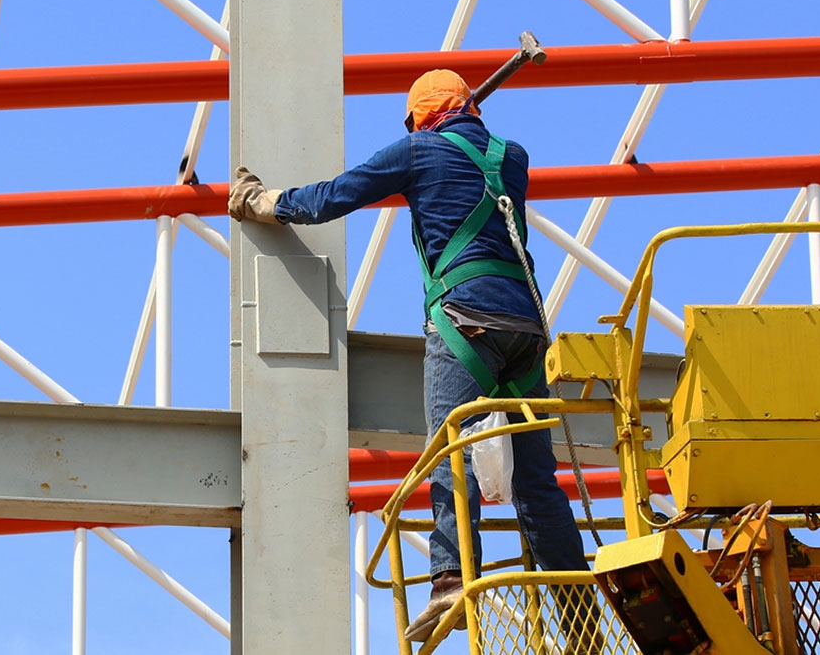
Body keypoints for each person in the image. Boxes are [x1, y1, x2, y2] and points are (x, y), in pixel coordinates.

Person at [226, 69, 587, 643]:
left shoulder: (417, 152)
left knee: (449, 451)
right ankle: (578, 608)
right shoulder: (513, 157)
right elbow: (472, 162)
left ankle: (448, 579)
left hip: (463, 319)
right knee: (537, 478)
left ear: (420, 119)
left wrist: (262, 202)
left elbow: (333, 197)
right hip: (526, 328)